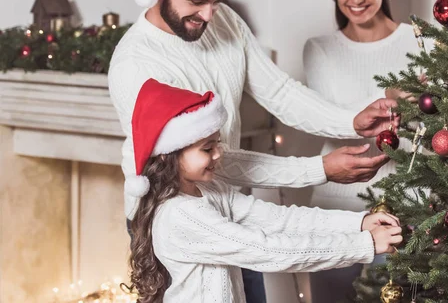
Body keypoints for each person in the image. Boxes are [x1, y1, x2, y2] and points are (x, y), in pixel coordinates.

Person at [108, 0, 401, 302]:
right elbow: (199, 161)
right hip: (183, 206)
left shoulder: (222, 19)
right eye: (197, 0)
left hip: (220, 195)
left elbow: (279, 92)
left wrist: (351, 120)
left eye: (217, 0)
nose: (209, 15)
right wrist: (319, 171)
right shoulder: (136, 64)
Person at [127, 78, 403, 303]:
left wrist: (357, 223)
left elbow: (279, 219)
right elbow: (269, 250)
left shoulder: (210, 190)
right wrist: (363, 244)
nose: (218, 155)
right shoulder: (180, 215)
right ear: (167, 155)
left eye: (217, 144)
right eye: (207, 149)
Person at [303, 0, 423, 303]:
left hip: (405, 200)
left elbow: (428, 122)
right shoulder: (318, 48)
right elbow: (330, 116)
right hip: (335, 204)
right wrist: (388, 95)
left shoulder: (419, 41)